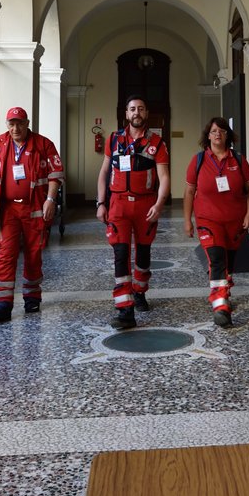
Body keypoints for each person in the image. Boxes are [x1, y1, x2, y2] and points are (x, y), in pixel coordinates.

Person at [95, 97, 170, 329]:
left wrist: (159, 204)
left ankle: (139, 291)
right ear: (126, 114)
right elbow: (104, 172)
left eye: (140, 109)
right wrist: (100, 202)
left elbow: (165, 176)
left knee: (144, 255)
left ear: (146, 113)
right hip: (118, 204)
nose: (136, 112)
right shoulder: (114, 139)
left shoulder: (157, 143)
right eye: (132, 109)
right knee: (120, 253)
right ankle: (124, 308)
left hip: (145, 205)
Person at [0, 106, 63, 322]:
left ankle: (32, 296)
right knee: (5, 253)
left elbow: (55, 174)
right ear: (7, 125)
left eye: (19, 123)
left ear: (27, 123)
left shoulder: (43, 144)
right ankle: (3, 302)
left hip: (34, 207)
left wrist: (50, 199)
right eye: (11, 123)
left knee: (33, 252)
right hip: (8, 209)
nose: (15, 128)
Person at [182, 117, 249, 327]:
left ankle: (224, 290)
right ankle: (220, 305)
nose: (217, 134)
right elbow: (189, 192)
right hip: (208, 219)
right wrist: (188, 220)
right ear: (208, 135)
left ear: (227, 136)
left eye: (222, 131)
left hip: (234, 221)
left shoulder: (239, 160)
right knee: (216, 258)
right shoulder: (198, 161)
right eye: (214, 131)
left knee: (228, 261)